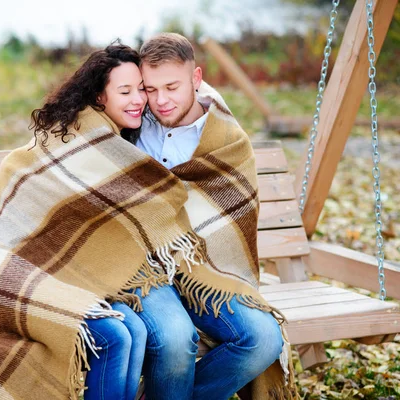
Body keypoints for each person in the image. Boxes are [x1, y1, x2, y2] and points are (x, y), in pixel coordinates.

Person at [0, 43, 151, 400]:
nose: (138, 99)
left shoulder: (119, 146)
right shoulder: (65, 140)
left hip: (75, 279)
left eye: (141, 89)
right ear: (98, 97)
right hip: (12, 276)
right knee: (113, 336)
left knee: (135, 330)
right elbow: (11, 221)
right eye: (125, 91)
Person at [125, 33, 297, 400]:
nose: (161, 100)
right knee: (174, 340)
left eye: (171, 86)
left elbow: (231, 219)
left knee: (263, 337)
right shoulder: (133, 124)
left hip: (205, 270)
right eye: (150, 89)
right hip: (142, 268)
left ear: (196, 78)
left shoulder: (225, 140)